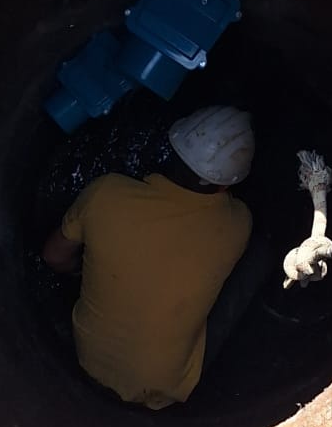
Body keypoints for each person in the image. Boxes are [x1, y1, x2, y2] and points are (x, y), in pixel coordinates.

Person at [42, 106, 254, 409]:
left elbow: (52, 257)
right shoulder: (239, 223)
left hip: (88, 358)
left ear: (174, 149)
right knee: (257, 260)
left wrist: (81, 269)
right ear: (227, 183)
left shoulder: (105, 194)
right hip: (166, 387)